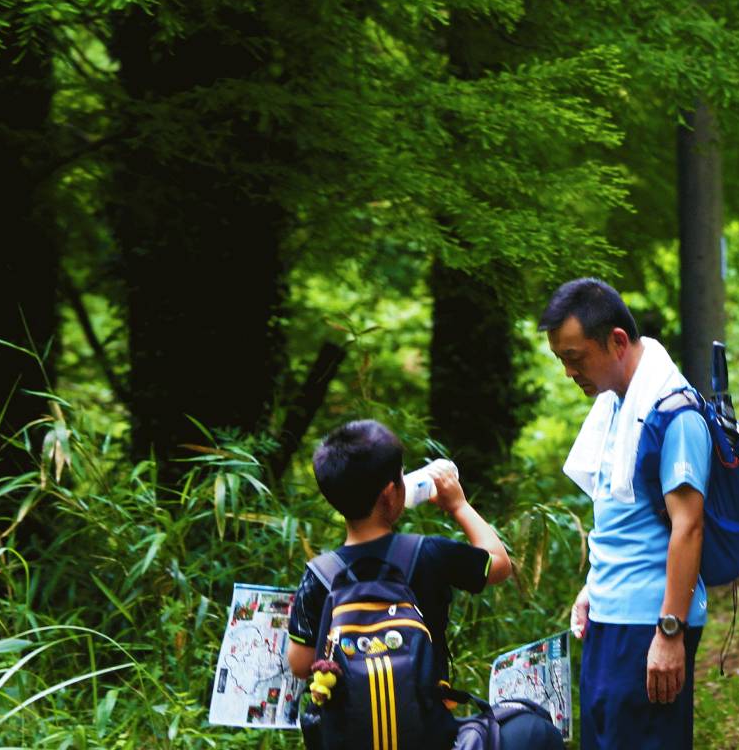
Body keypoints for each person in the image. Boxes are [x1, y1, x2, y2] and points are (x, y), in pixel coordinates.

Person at [540, 278, 713, 749]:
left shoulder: (674, 414)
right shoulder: (617, 407)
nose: (569, 372)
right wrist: (592, 586)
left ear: (617, 341)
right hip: (611, 618)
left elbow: (689, 526)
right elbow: (624, 517)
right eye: (562, 360)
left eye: (575, 358)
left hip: (650, 622)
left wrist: (670, 632)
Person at [285, 420, 516, 694]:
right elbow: (500, 565)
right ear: (390, 493)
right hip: (425, 728)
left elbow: (299, 665)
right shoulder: (429, 553)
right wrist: (459, 506)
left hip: (349, 733)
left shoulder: (319, 575)